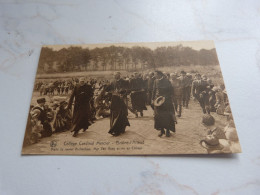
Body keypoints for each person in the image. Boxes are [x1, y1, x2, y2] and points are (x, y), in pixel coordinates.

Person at [152, 70, 176, 137]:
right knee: (158, 116)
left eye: (156, 74)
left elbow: (171, 91)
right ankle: (161, 130)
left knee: (167, 116)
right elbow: (154, 91)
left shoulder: (167, 81)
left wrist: (165, 97)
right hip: (157, 101)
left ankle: (168, 130)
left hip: (166, 101)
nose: (155, 76)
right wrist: (152, 99)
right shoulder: (155, 81)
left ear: (160, 74)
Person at [108, 72, 130, 136]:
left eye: (116, 75)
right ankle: (114, 129)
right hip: (114, 100)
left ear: (119, 75)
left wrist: (123, 94)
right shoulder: (112, 82)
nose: (115, 76)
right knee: (114, 114)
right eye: (114, 75)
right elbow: (109, 90)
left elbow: (128, 89)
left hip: (121, 100)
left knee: (121, 113)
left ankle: (119, 129)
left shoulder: (124, 81)